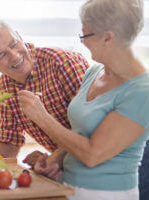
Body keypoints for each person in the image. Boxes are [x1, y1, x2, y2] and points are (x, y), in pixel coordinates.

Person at [18, 0, 148, 199]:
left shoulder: (141, 91)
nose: (82, 41)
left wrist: (41, 117)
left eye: (85, 34)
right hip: (68, 186)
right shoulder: (94, 72)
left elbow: (92, 154)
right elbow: (82, 133)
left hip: (107, 194)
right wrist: (56, 159)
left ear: (107, 38)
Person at [0, 20, 89, 159]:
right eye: (2, 55)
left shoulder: (62, 62)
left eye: (13, 44)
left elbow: (91, 128)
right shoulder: (5, 87)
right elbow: (9, 146)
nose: (14, 55)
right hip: (68, 166)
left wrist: (54, 159)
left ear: (20, 38)